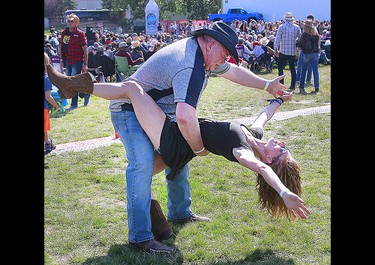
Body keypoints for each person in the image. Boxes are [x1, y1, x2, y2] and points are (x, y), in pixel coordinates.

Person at [47, 21, 287, 254]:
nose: (226, 60)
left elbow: (232, 71)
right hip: (129, 110)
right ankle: (140, 238)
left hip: (158, 115)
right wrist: (198, 148)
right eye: (225, 53)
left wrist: (267, 85)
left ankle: (179, 213)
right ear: (210, 44)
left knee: (177, 161)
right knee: (142, 166)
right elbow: (184, 116)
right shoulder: (189, 63)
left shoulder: (202, 55)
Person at [46, 66, 311, 221]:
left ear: (269, 159)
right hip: (183, 146)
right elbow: (264, 116)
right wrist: (277, 99)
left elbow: (264, 171)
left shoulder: (242, 152)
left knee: (132, 90)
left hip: (175, 141)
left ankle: (75, 87)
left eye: (283, 150)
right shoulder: (254, 135)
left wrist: (284, 192)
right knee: (144, 173)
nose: (283, 142)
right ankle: (159, 218)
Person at [59, 13, 89, 110]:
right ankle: (85, 93)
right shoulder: (64, 33)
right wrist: (61, 60)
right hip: (68, 60)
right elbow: (61, 47)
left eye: (72, 21)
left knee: (73, 81)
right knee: (69, 81)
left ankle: (74, 104)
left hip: (77, 60)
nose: (70, 23)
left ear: (76, 23)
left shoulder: (80, 34)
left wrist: (85, 64)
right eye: (68, 21)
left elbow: (85, 49)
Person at [274, 12, 302, 91]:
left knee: (280, 67)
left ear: (285, 19)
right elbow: (300, 39)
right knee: (292, 68)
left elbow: (277, 39)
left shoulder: (281, 27)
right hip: (292, 51)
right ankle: (292, 85)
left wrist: (275, 49)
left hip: (283, 50)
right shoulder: (297, 27)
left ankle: (281, 84)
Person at [296, 19, 321, 94]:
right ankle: (317, 86)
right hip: (315, 53)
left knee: (304, 70)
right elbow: (318, 44)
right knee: (315, 71)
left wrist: (295, 43)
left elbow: (300, 44)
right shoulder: (316, 34)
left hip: (306, 53)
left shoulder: (305, 34)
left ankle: (301, 86)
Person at [44, 53, 61, 155]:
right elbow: (48, 97)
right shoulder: (46, 79)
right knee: (44, 128)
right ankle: (47, 143)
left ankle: (47, 142)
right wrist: (57, 105)